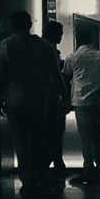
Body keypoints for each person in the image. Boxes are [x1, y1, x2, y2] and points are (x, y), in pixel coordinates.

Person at [0, 10, 64, 193]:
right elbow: (55, 75)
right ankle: (38, 171)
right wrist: (61, 95)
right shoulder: (44, 47)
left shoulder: (6, 45)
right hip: (39, 99)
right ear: (30, 24)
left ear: (12, 25)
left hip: (15, 100)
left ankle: (27, 176)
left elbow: (1, 73)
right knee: (38, 138)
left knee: (21, 139)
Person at [61, 28, 100, 186]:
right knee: (98, 137)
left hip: (81, 103)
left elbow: (66, 80)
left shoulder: (72, 58)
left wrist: (66, 100)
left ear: (77, 40)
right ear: (93, 41)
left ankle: (88, 170)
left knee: (86, 139)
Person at [42, 20, 68, 177]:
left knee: (50, 133)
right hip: (51, 99)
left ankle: (55, 163)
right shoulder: (49, 51)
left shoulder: (39, 48)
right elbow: (55, 77)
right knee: (53, 133)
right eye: (60, 33)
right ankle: (51, 163)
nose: (61, 36)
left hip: (44, 98)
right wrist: (64, 95)